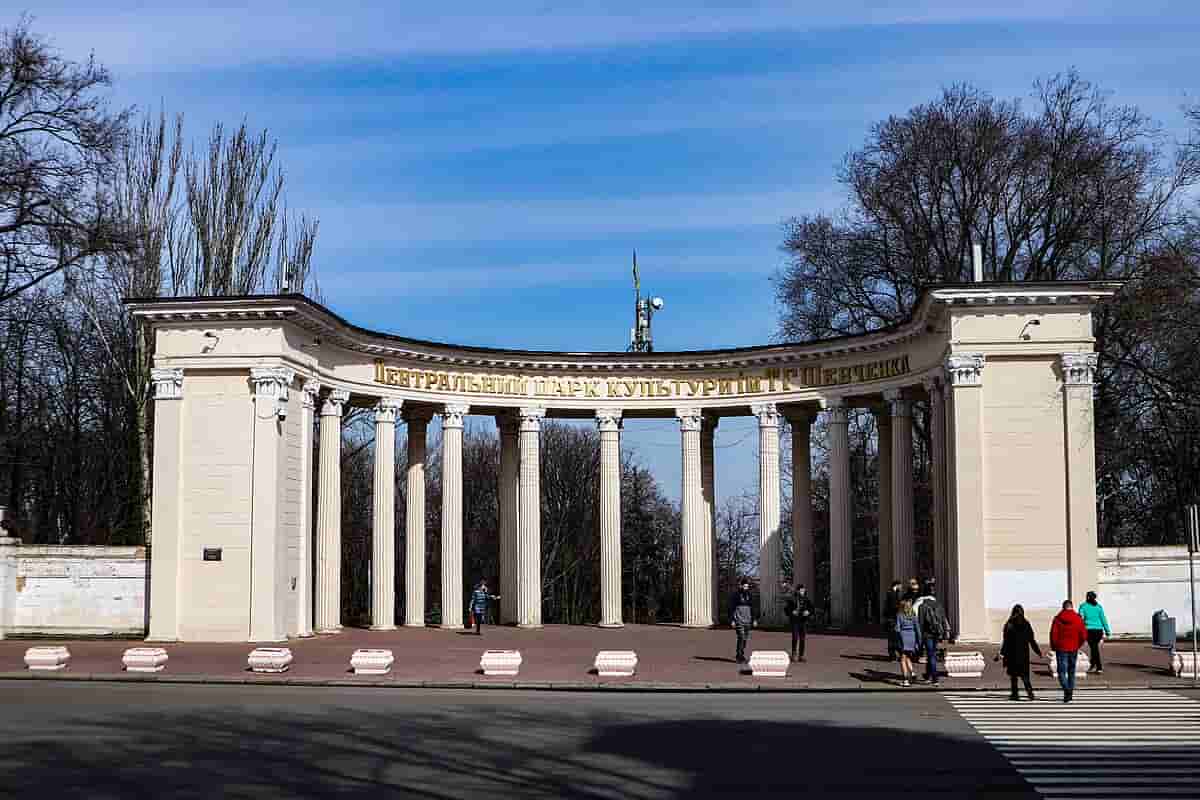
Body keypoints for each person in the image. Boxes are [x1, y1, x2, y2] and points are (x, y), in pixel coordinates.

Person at [998, 604, 1042, 701]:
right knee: (1025, 675)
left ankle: (1015, 694)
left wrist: (1001, 653)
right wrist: (1038, 651)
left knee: (1013, 676)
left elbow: (1006, 641)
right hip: (1023, 654)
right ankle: (1030, 693)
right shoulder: (1026, 623)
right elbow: (1031, 639)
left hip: (1012, 654)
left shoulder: (1009, 624)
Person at [1049, 600, 1088, 703]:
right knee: (1071, 670)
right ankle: (1070, 690)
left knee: (1061, 671)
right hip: (1073, 648)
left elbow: (1053, 634)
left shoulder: (1057, 619)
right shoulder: (1078, 618)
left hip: (1061, 648)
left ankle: (1066, 690)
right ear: (1072, 607)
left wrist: (1054, 646)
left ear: (1063, 607)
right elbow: (1083, 635)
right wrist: (1078, 644)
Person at [916, 581, 950, 685]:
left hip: (927, 634)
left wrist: (919, 637)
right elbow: (943, 619)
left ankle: (935, 677)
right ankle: (928, 675)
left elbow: (920, 623)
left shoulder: (922, 606)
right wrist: (945, 632)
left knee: (931, 655)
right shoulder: (938, 604)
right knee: (932, 653)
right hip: (937, 633)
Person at [1079, 590, 1111, 674]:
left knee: (1094, 648)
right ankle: (1092, 664)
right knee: (1094, 648)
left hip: (1089, 630)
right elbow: (1103, 619)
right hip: (1099, 631)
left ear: (1087, 597)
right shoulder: (1099, 607)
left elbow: (1081, 619)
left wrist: (1079, 630)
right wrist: (1107, 631)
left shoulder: (1083, 606)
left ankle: (1099, 667)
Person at [784, 583, 814, 662]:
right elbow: (786, 609)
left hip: (803, 621)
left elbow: (811, 608)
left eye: (803, 589)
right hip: (795, 621)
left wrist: (808, 612)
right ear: (797, 591)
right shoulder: (792, 599)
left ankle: (801, 656)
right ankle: (794, 654)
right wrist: (792, 612)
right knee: (795, 637)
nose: (803, 591)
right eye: (801, 590)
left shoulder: (806, 599)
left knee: (802, 639)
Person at [729, 579, 757, 664]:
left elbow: (753, 608)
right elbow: (731, 608)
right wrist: (732, 620)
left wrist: (754, 619)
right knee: (741, 637)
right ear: (740, 586)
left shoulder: (750, 595)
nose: (746, 588)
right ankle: (739, 656)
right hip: (739, 620)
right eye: (744, 586)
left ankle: (741, 654)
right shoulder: (735, 595)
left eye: (747, 586)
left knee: (744, 639)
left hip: (747, 620)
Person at [895, 599, 922, 687]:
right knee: (908, 657)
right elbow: (917, 629)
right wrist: (919, 641)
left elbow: (897, 629)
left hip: (903, 637)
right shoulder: (913, 616)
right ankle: (912, 672)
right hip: (912, 637)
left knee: (902, 659)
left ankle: (905, 679)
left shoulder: (899, 615)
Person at [883, 580, 902, 661]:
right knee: (893, 637)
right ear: (896, 585)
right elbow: (893, 606)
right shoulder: (892, 594)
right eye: (900, 585)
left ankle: (893, 654)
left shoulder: (892, 593)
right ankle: (892, 655)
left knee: (893, 637)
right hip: (892, 618)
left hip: (892, 617)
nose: (901, 587)